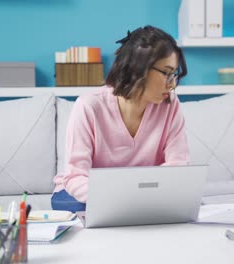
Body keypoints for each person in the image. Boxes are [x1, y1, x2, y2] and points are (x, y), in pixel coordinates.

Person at [51, 25, 190, 212]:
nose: (172, 84)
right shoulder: (89, 106)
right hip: (86, 193)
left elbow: (178, 166)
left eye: (174, 74)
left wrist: (139, 198)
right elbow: (76, 176)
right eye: (166, 73)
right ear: (139, 68)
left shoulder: (170, 105)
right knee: (79, 207)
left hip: (144, 196)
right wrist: (119, 200)